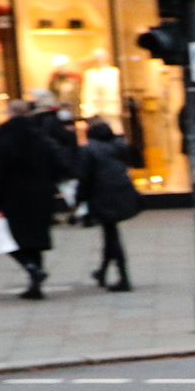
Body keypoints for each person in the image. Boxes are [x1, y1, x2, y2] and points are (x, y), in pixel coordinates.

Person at [0, 98, 63, 299]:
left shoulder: (6, 132)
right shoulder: (40, 132)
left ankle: (31, 269)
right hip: (41, 193)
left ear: (11, 112)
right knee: (35, 238)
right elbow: (55, 161)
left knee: (9, 238)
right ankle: (35, 282)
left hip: (14, 194)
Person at [78, 118, 143, 291]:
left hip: (103, 196)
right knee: (110, 233)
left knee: (111, 235)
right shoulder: (118, 146)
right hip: (122, 191)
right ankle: (103, 271)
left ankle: (123, 278)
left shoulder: (89, 150)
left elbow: (85, 177)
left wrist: (78, 200)